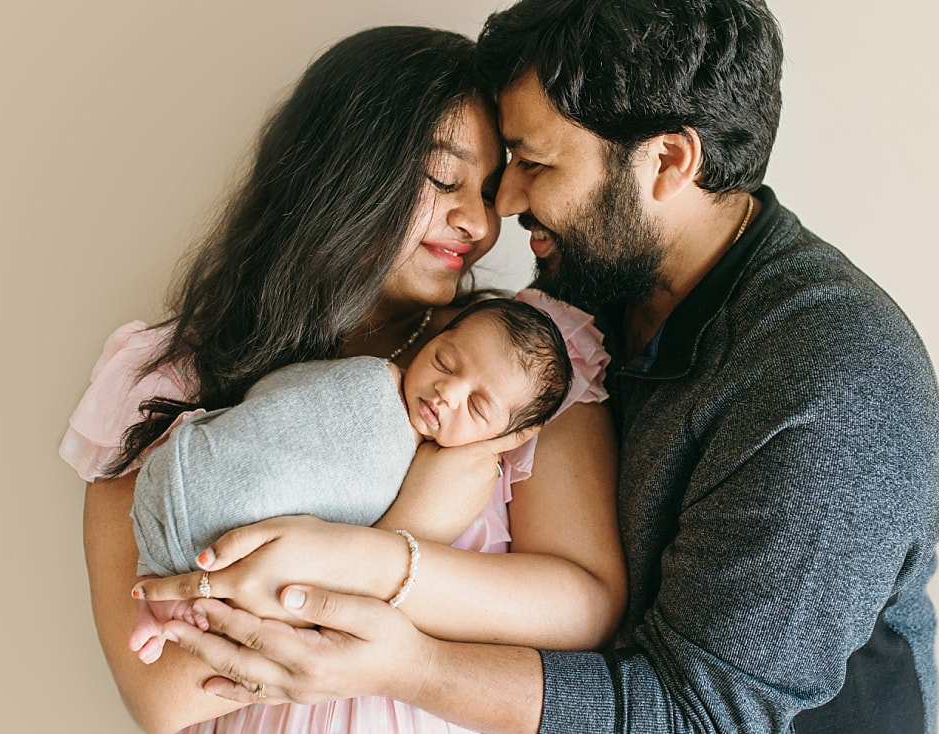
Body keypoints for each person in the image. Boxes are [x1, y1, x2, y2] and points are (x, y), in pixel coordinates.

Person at [143, 2, 939, 733]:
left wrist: (408, 662)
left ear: (668, 160)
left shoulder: (830, 380)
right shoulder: (580, 303)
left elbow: (706, 718)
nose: (507, 205)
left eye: (533, 164)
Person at [65, 23, 624, 734]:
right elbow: (165, 693)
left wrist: (364, 570)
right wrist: (407, 532)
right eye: (445, 179)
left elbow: (582, 605)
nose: (479, 223)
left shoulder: (519, 358)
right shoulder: (161, 377)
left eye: (486, 190)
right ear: (343, 170)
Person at [128, 296, 574, 664]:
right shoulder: (370, 377)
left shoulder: (454, 480)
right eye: (444, 361)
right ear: (437, 337)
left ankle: (160, 610)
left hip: (199, 523)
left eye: (478, 408)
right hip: (194, 475)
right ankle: (162, 593)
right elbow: (278, 395)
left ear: (509, 437)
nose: (448, 392)